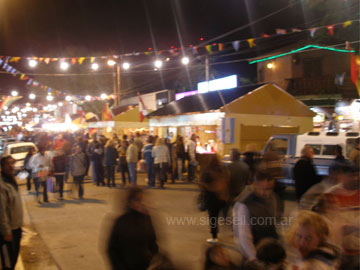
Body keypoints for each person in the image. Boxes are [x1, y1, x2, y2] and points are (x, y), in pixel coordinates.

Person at [319, 163, 360, 270]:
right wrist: (344, 228)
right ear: (343, 177)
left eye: (357, 175)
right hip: (339, 252)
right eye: (351, 176)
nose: (355, 179)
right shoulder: (331, 195)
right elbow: (324, 225)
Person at [233, 171, 281, 260]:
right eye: (261, 188)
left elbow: (273, 223)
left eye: (268, 189)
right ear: (254, 185)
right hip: (255, 252)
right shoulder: (244, 204)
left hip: (269, 250)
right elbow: (244, 237)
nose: (264, 192)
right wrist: (254, 258)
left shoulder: (272, 198)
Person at [107, 187, 158, 270]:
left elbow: (153, 241)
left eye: (143, 200)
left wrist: (153, 258)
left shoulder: (147, 218)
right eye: (138, 200)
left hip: (143, 265)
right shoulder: (121, 221)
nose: (142, 203)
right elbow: (111, 249)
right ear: (130, 202)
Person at [0, 156, 23, 270]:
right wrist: (6, 231)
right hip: (8, 232)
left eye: (12, 163)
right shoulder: (2, 185)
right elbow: (1, 211)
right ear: (2, 167)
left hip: (16, 229)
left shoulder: (11, 180)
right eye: (8, 164)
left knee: (13, 260)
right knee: (8, 264)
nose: (11, 166)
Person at [200, 155, 229, 243]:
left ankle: (214, 236)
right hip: (221, 198)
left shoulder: (207, 172)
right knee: (217, 215)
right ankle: (216, 232)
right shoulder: (222, 170)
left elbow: (203, 184)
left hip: (211, 199)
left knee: (213, 218)